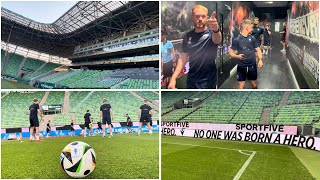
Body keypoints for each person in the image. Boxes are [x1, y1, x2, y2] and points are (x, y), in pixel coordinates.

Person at [168, 5, 222, 89]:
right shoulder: (187, 36)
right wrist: (173, 78)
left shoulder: (212, 33)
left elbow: (217, 40)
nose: (200, 19)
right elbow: (183, 59)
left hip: (208, 82)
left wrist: (216, 30)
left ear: (207, 18)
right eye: (197, 16)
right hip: (191, 81)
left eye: (203, 16)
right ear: (192, 17)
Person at [229, 19, 263, 89]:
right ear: (247, 27)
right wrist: (237, 56)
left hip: (252, 65)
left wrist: (260, 60)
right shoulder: (237, 40)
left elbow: (258, 50)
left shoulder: (252, 38)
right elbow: (231, 52)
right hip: (242, 66)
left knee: (254, 84)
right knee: (241, 86)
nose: (252, 29)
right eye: (251, 27)